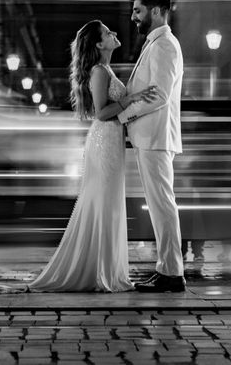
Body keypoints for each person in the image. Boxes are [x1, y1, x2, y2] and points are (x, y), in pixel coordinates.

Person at [28, 20, 157, 292]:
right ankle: (102, 273)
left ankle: (105, 269)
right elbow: (101, 112)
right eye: (108, 33)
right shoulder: (99, 71)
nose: (114, 34)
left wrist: (133, 98)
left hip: (111, 140)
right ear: (99, 44)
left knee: (107, 204)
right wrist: (131, 99)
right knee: (104, 204)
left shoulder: (105, 69)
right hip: (104, 141)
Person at [118, 0, 186, 293]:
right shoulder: (156, 44)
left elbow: (159, 95)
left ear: (156, 11)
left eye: (138, 10)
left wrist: (123, 117)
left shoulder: (164, 45)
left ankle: (172, 273)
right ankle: (167, 269)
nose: (133, 16)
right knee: (160, 205)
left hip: (156, 137)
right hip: (152, 137)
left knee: (162, 205)